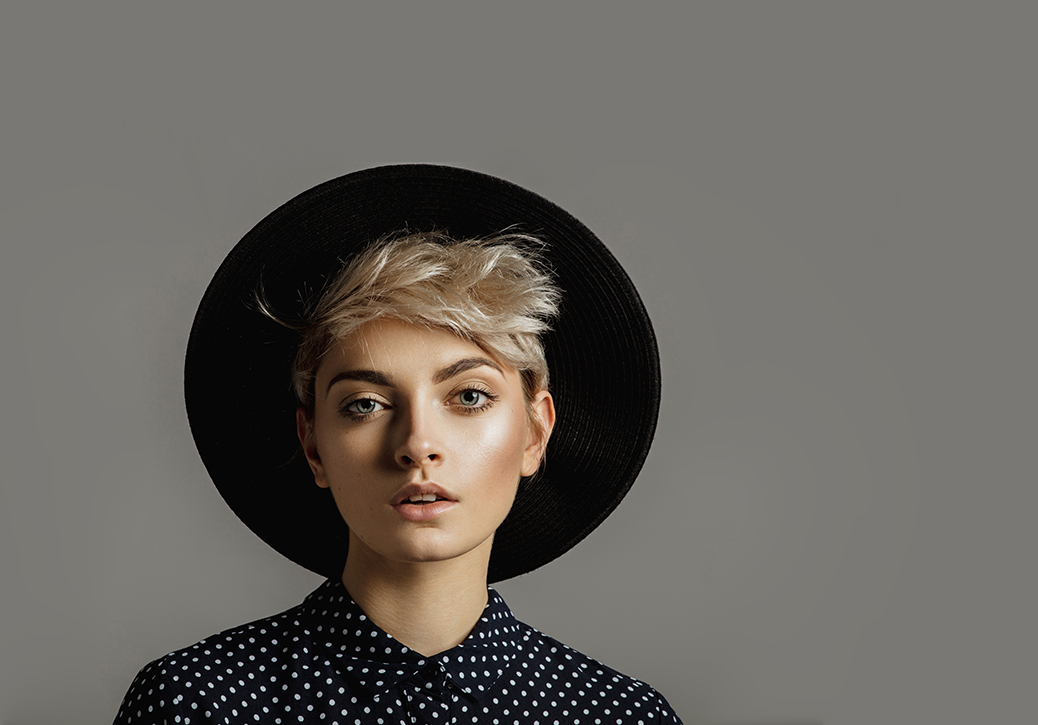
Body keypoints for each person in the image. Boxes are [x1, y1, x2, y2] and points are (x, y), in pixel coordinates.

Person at [113, 165, 679, 724]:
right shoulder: (194, 704)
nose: (416, 444)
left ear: (535, 432)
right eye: (365, 404)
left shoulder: (621, 716)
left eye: (470, 396)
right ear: (313, 446)